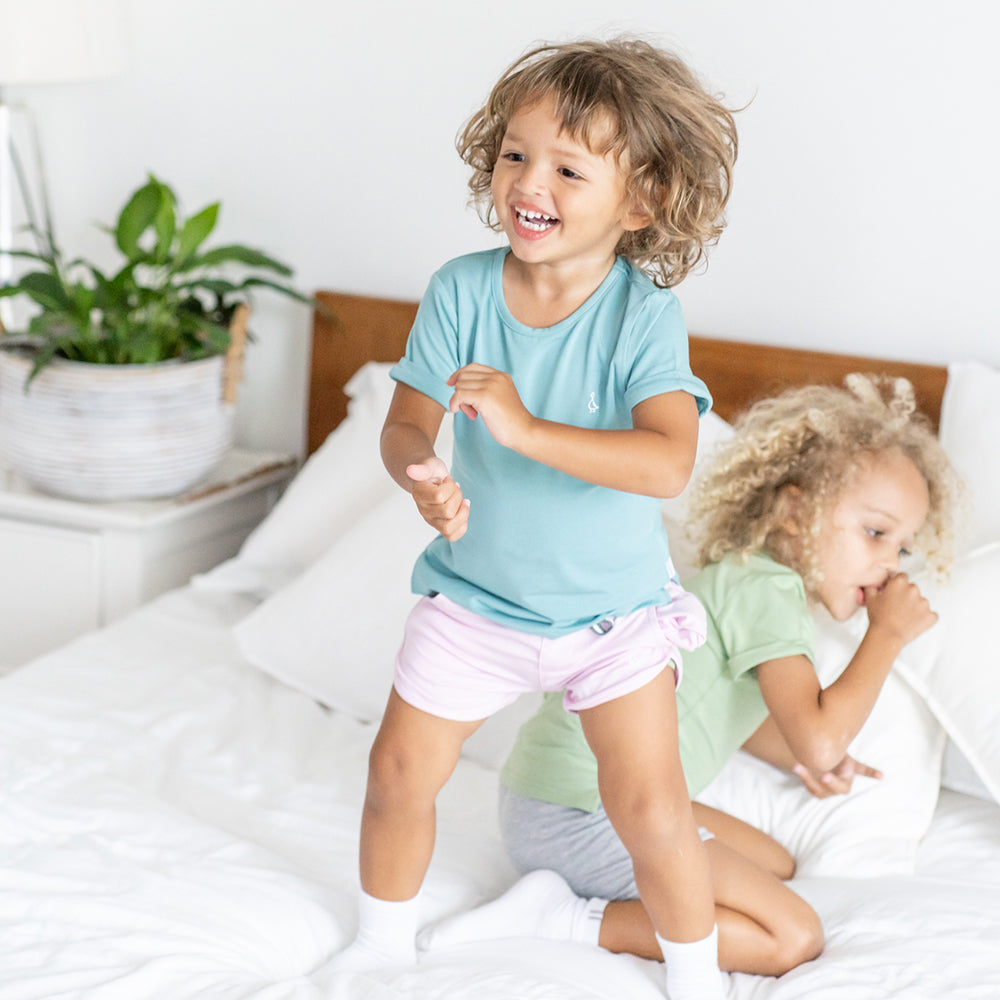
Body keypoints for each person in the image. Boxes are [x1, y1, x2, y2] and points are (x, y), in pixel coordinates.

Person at [331, 36, 738, 1000]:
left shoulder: (643, 315)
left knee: (651, 811)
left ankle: (698, 979)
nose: (529, 182)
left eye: (567, 168)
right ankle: (381, 949)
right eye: (516, 154)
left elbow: (668, 461)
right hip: (477, 603)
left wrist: (522, 427)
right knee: (397, 771)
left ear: (640, 202)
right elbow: (404, 423)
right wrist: (422, 471)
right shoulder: (462, 289)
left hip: (613, 621)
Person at [420, 374, 960, 978]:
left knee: (775, 864)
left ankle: (576, 896)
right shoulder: (769, 592)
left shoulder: (752, 580)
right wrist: (886, 636)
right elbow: (819, 738)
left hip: (550, 797)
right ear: (793, 510)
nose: (889, 564)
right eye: (876, 532)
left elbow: (715, 709)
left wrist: (805, 758)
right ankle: (560, 918)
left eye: (901, 548)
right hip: (578, 812)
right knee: (791, 937)